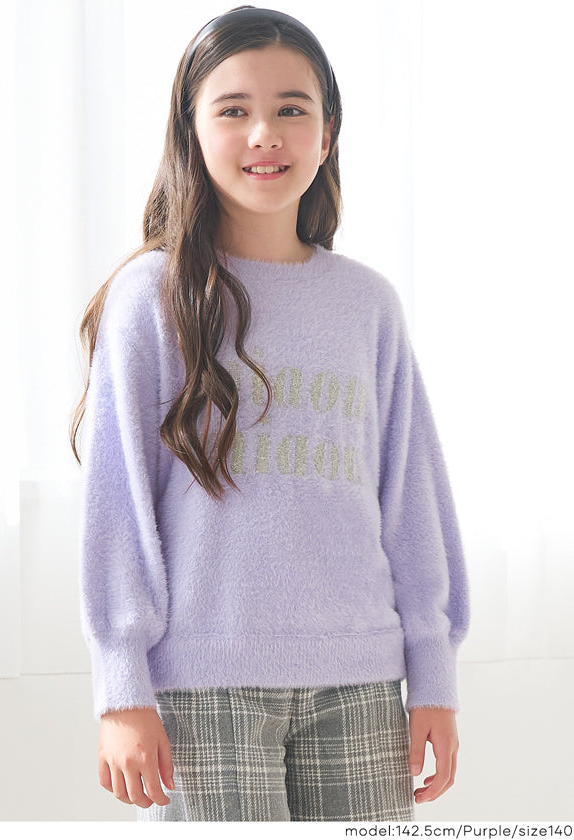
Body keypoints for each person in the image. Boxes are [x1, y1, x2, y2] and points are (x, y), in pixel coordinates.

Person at [71, 5, 469, 822]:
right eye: (233, 109)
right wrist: (121, 686)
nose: (265, 134)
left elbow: (412, 499)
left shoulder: (367, 304)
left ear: (327, 135)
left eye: (292, 108)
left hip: (362, 680)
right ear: (190, 132)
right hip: (201, 688)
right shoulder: (150, 299)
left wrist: (433, 672)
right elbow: (117, 506)